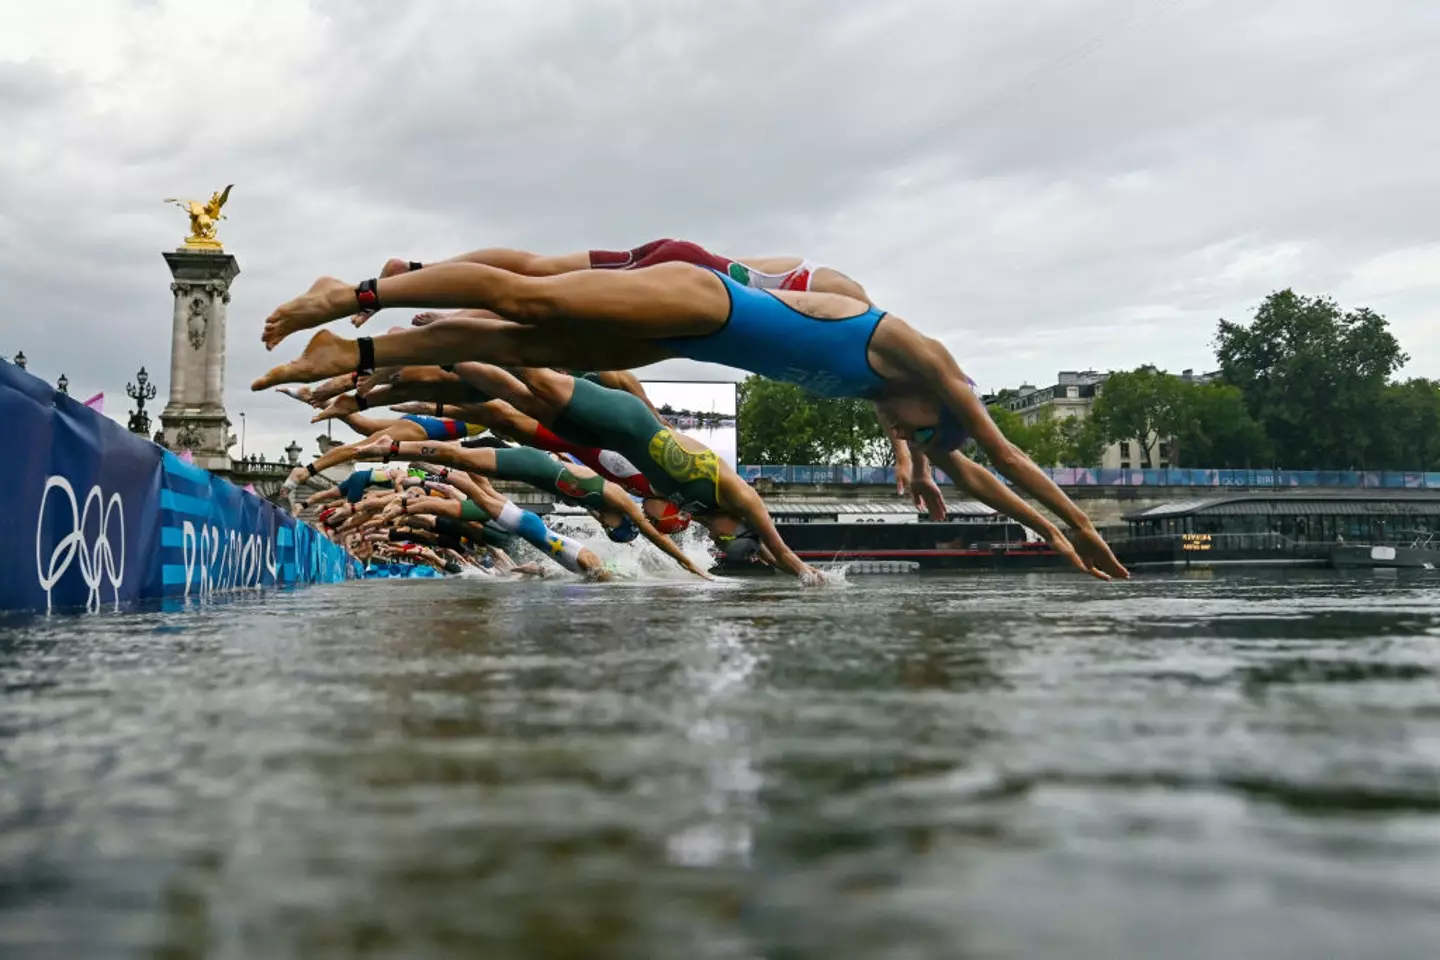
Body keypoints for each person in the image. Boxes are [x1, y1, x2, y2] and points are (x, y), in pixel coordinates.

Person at [254, 261, 1128, 580]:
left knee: (525, 336)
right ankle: (358, 297)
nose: (909, 436)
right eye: (925, 434)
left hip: (689, 335)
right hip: (703, 294)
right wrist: (1080, 521)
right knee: (527, 300)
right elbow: (1004, 452)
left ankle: (358, 357)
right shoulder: (920, 357)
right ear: (942, 400)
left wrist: (1043, 537)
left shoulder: (896, 407)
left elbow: (976, 471)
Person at [358, 239, 934, 510]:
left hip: (681, 266)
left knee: (537, 283)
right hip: (682, 290)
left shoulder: (848, 312)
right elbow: (891, 390)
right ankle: (426, 311)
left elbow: (890, 394)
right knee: (537, 310)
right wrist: (909, 458)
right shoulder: (855, 312)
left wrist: (909, 456)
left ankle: (415, 274)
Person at [352, 434, 713, 580]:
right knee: (471, 478)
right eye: (610, 528)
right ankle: (402, 450)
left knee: (477, 487)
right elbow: (651, 535)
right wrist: (693, 568)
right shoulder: (617, 499)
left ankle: (415, 467)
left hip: (538, 488)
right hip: (535, 469)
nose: (605, 528)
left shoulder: (599, 508)